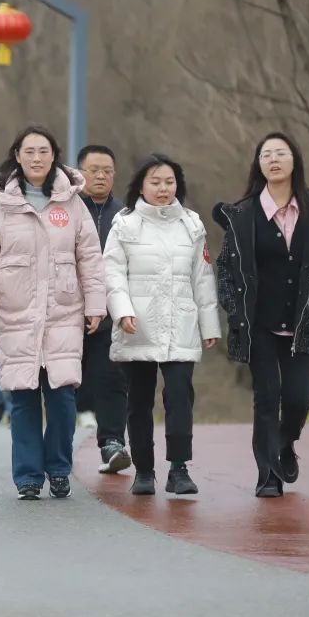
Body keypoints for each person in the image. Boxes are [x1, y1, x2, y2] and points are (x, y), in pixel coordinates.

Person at [0, 125, 106, 500]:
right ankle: (28, 475)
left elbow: (89, 257)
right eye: (29, 151)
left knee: (62, 399)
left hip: (63, 314)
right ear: (17, 156)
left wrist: (96, 304)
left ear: (54, 156)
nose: (36, 158)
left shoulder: (71, 203)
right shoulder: (0, 205)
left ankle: (58, 468)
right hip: (16, 316)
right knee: (23, 400)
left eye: (43, 151)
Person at [212, 132, 309, 498]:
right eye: (266, 155)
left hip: (303, 322)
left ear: (295, 161)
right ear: (258, 164)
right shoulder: (242, 215)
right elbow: (225, 268)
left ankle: (286, 442)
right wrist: (234, 309)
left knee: (297, 400)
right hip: (257, 323)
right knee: (266, 397)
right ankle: (268, 474)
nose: (273, 159)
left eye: (280, 153)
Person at [104, 154, 221, 496]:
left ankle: (179, 468)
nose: (163, 188)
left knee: (180, 396)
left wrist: (210, 326)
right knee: (139, 401)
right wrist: (122, 311)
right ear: (141, 186)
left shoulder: (192, 224)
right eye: (155, 182)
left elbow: (202, 277)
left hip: (180, 324)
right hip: (136, 325)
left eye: (169, 182)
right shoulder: (125, 224)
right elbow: (112, 273)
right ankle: (144, 471)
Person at [76, 144, 132, 474]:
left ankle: (112, 442)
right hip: (67, 313)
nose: (100, 176)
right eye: (93, 170)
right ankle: (55, 449)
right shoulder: (64, 212)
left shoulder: (126, 217)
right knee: (63, 383)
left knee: (113, 378)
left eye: (107, 171)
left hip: (110, 314)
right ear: (79, 173)